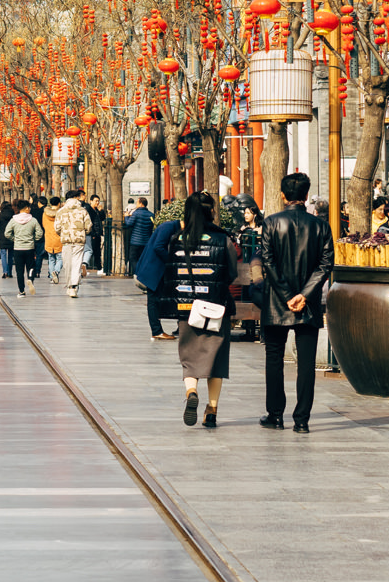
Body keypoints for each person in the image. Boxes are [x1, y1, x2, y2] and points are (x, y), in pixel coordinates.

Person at [139, 191, 241, 427]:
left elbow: (171, 272)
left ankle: (191, 392)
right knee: (217, 360)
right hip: (216, 307)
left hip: (187, 308)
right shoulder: (223, 239)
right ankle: (212, 410)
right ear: (211, 211)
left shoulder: (177, 239)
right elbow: (232, 273)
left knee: (189, 358)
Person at [259, 172, 333, 433]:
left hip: (277, 302)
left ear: (283, 195)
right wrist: (304, 294)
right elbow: (326, 264)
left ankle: (275, 415)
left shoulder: (271, 223)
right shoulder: (320, 226)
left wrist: (286, 294)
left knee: (274, 358)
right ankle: (302, 420)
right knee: (306, 363)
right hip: (308, 302)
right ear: (305, 195)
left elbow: (268, 261)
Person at [57, 190, 93, 296]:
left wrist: (63, 233)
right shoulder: (83, 210)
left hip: (66, 241)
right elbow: (88, 226)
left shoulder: (61, 211)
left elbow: (57, 227)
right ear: (76, 198)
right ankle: (74, 286)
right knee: (77, 263)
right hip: (79, 241)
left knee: (67, 263)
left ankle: (69, 285)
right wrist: (82, 233)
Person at [5, 200, 41, 295]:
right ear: (26, 208)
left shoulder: (13, 220)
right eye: (29, 208)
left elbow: (7, 233)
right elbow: (40, 233)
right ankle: (30, 279)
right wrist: (33, 239)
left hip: (18, 248)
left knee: (19, 271)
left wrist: (15, 239)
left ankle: (21, 291)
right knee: (31, 267)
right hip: (29, 248)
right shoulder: (33, 220)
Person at [124, 196, 155, 269]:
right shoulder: (151, 215)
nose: (136, 205)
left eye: (137, 203)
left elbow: (129, 223)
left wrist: (126, 216)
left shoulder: (136, 213)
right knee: (143, 259)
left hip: (135, 241)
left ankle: (138, 272)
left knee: (133, 258)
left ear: (141, 204)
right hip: (146, 241)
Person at [41, 196, 63, 283]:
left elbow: (44, 225)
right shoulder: (61, 214)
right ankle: (56, 272)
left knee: (51, 259)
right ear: (59, 204)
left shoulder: (45, 214)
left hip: (49, 238)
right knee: (60, 258)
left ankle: (51, 276)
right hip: (59, 239)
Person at [0, 199, 17, 279]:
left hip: (2, 237)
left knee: (3, 255)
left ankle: (5, 271)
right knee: (11, 256)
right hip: (11, 237)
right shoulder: (13, 215)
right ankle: (10, 272)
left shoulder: (0, 215)